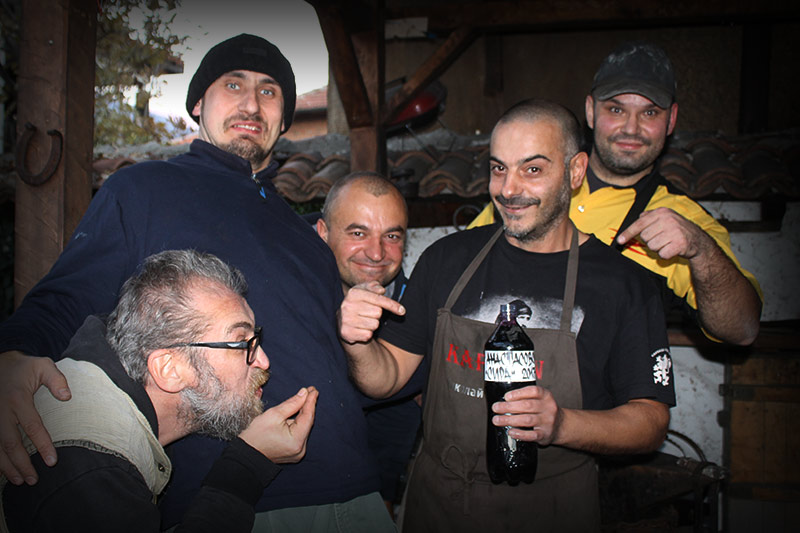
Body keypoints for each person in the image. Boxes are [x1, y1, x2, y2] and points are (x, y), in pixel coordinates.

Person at [0, 34, 395, 532]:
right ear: (197, 104)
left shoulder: (307, 238)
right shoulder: (143, 189)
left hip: (359, 494)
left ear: (284, 119)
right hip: (236, 499)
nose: (251, 104)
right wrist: (11, 356)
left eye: (269, 91)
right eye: (233, 84)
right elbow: (66, 298)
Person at [338, 99, 676, 532]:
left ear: (575, 171)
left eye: (532, 169)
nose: (509, 189)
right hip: (438, 505)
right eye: (499, 168)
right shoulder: (446, 259)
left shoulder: (622, 284)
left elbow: (651, 422)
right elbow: (385, 378)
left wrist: (563, 425)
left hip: (553, 512)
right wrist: (358, 342)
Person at [1, 249, 318, 531]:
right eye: (240, 343)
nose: (263, 360)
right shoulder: (90, 474)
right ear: (169, 369)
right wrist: (247, 466)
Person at [468, 41, 762, 346]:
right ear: (590, 111)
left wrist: (701, 249)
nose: (631, 128)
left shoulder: (683, 219)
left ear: (671, 119)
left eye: (650, 112)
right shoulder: (525, 191)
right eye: (616, 109)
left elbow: (742, 329)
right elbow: (462, 277)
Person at [315, 171, 424, 515]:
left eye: (391, 236)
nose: (377, 253)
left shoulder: (417, 314)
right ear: (323, 233)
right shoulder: (293, 298)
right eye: (358, 233)